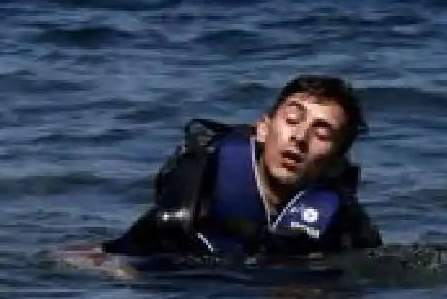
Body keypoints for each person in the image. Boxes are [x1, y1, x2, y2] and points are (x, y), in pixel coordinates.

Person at [55, 75, 382, 277]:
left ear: (338, 162)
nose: (300, 137)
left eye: (322, 133)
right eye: (293, 119)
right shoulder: (200, 196)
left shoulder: (344, 224)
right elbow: (117, 254)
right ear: (263, 129)